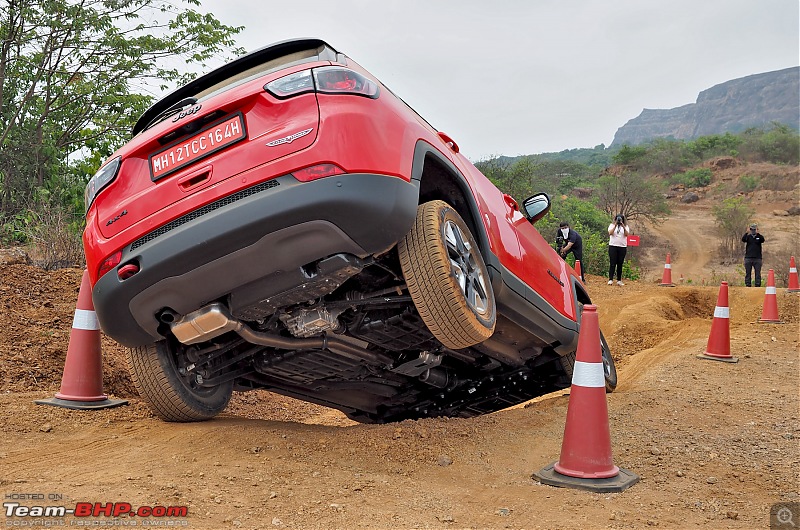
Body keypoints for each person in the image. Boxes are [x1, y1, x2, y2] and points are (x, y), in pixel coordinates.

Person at [607, 213, 630, 286]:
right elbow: (610, 233)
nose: (619, 220)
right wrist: (615, 225)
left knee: (620, 263)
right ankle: (610, 279)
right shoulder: (612, 225)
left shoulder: (626, 226)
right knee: (612, 263)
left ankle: (619, 280)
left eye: (620, 219)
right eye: (618, 219)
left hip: (622, 247)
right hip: (613, 246)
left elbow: (626, 234)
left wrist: (622, 225)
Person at [741, 223, 765, 287]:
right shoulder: (748, 237)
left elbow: (763, 240)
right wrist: (746, 232)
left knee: (757, 273)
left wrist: (758, 233)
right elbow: (743, 239)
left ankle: (757, 285)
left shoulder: (759, 237)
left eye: (754, 229)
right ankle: (748, 285)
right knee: (748, 272)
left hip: (757, 258)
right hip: (748, 258)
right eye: (752, 229)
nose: (753, 231)